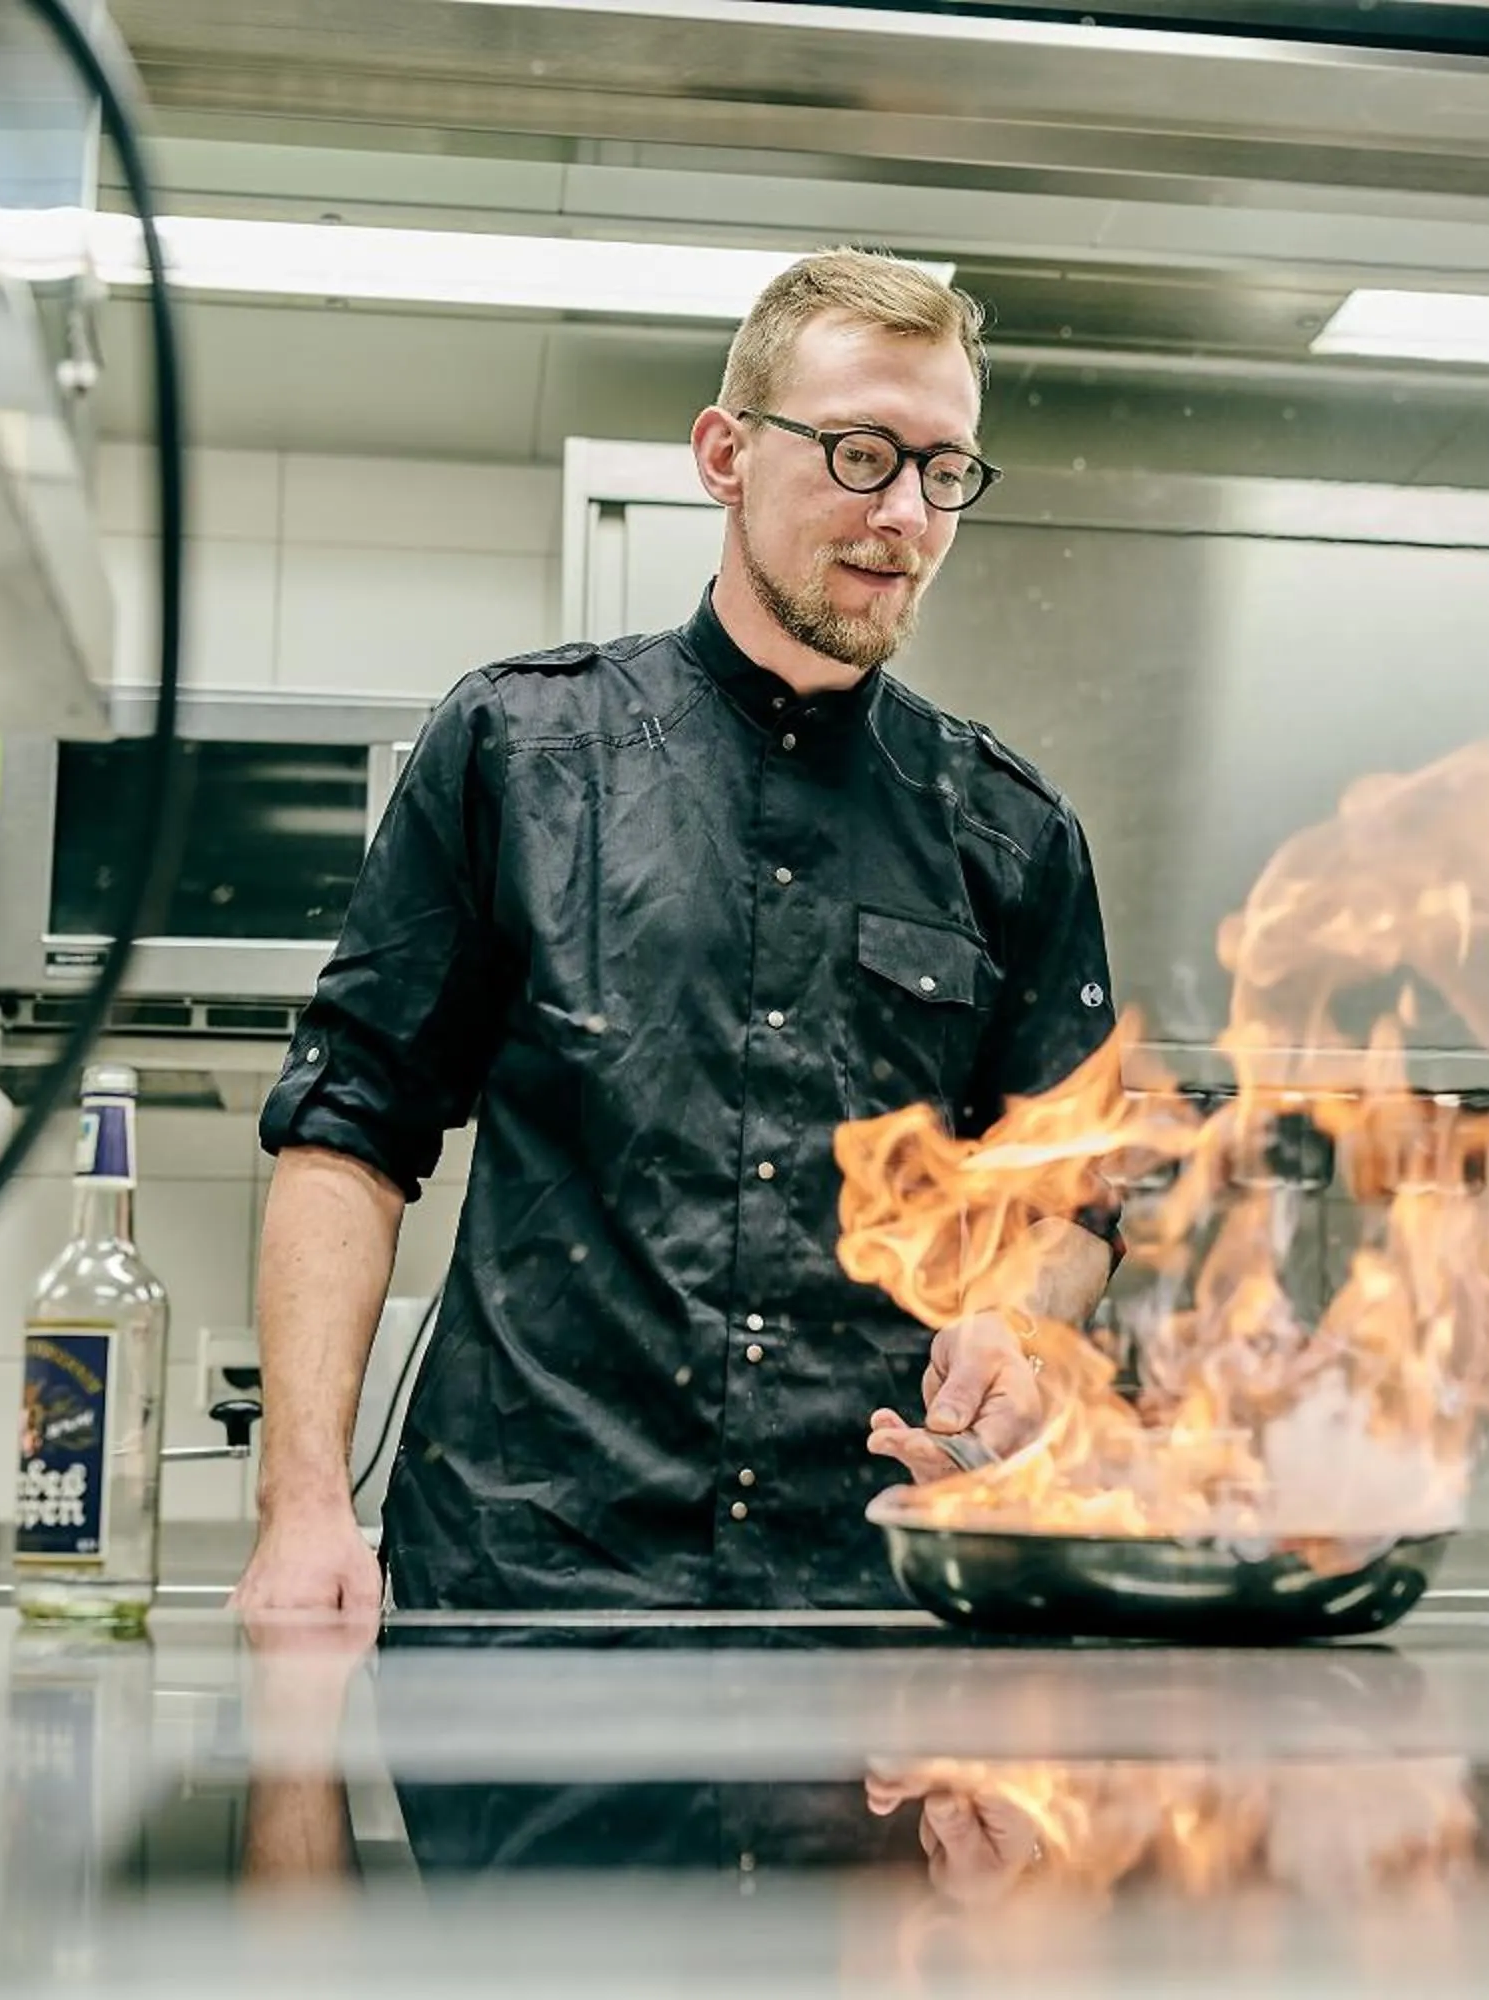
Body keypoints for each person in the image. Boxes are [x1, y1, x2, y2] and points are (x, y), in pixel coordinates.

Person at [233, 249, 1121, 1615]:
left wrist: (1019, 1316)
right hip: (526, 1578)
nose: (904, 515)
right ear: (724, 452)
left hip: (866, 1591)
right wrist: (300, 1508)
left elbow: (1074, 1195)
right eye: (861, 453)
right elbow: (349, 1131)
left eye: (945, 470)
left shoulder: (1010, 834)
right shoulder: (516, 750)